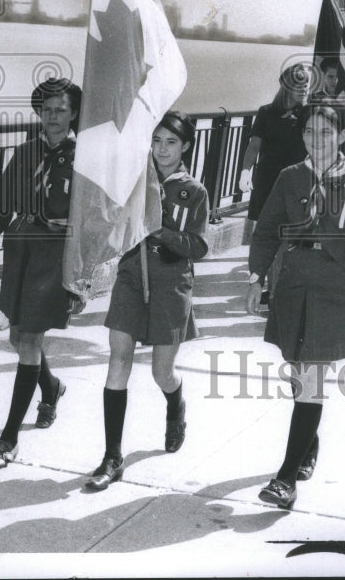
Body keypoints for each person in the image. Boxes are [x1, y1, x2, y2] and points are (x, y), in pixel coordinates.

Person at [245, 103, 345, 509]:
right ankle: (308, 443)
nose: (316, 139)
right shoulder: (290, 177)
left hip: (336, 287)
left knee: (311, 377)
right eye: (310, 132)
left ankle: (285, 479)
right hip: (292, 283)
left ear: (342, 136)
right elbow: (267, 231)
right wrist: (256, 277)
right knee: (297, 372)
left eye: (326, 132)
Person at [0, 78, 82, 470]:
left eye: (61, 110)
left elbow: (95, 219)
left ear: (74, 113)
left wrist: (83, 271)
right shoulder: (27, 153)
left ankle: (7, 440)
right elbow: (0, 203)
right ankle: (51, 387)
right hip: (21, 251)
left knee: (28, 339)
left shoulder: (86, 158)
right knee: (18, 335)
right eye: (46, 110)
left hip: (55, 254)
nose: (52, 118)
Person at [86, 110, 209, 490]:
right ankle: (112, 457)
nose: (161, 149)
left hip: (171, 283)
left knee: (161, 372)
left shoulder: (194, 191)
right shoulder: (136, 181)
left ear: (185, 146)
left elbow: (199, 246)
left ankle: (176, 404)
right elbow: (111, 223)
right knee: (118, 359)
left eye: (171, 142)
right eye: (156, 141)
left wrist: (160, 229)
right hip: (131, 277)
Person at [239, 63, 310, 301]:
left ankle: (277, 289)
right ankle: (269, 286)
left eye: (306, 85)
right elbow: (254, 146)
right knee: (267, 236)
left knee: (287, 239)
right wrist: (245, 171)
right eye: (298, 85)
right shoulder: (266, 112)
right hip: (268, 182)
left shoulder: (308, 114)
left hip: (297, 184)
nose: (303, 90)